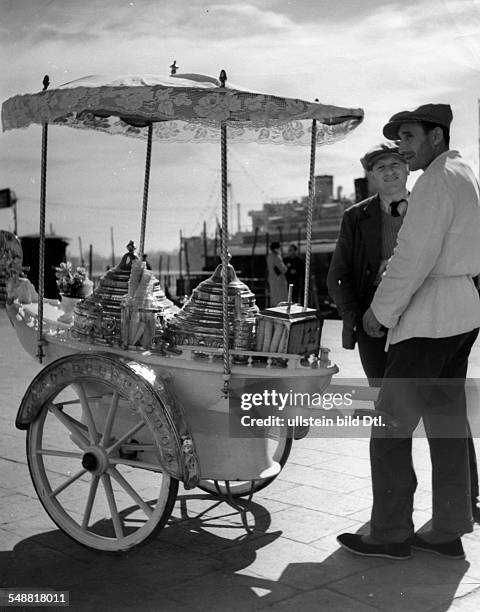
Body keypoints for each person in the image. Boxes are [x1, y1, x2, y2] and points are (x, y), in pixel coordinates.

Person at [337, 103, 480, 561]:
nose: (403, 146)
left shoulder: (435, 182)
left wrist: (378, 314)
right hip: (461, 313)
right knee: (447, 424)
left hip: (429, 320)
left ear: (436, 136)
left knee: (390, 428)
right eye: (399, 138)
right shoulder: (464, 172)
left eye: (410, 137)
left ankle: (390, 533)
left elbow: (410, 259)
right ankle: (448, 529)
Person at [266, 241, 288, 306]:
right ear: (276, 248)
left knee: (273, 296)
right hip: (278, 279)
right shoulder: (276, 256)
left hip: (271, 278)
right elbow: (283, 269)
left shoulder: (269, 256)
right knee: (281, 297)